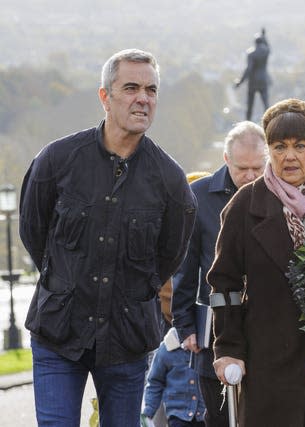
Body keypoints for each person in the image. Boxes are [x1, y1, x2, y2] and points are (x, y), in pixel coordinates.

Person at [19, 49, 196, 427]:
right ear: (105, 96)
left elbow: (171, 254)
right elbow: (33, 232)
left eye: (151, 89)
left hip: (127, 340)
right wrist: (64, 281)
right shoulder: (57, 160)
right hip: (57, 332)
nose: (142, 98)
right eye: (130, 87)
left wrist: (133, 291)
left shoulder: (170, 181)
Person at [207, 98, 305, 426]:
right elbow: (224, 283)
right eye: (279, 146)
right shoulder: (245, 204)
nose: (289, 156)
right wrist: (228, 348)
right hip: (268, 362)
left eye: (300, 145)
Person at [171, 121, 267, 426]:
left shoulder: (278, 194)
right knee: (218, 414)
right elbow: (185, 266)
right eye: (243, 168)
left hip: (264, 325)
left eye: (258, 167)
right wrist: (185, 324)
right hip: (213, 326)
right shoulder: (198, 196)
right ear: (226, 159)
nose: (251, 176)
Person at [141, 328, 206, 427]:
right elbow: (155, 382)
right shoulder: (166, 349)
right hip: (177, 415)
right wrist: (148, 410)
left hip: (204, 414)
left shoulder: (207, 346)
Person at [235, 28, 270, 121]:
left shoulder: (251, 53)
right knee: (266, 104)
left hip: (253, 81)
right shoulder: (265, 52)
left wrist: (240, 81)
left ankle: (247, 123)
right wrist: (264, 35)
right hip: (263, 80)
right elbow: (268, 47)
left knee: (250, 105)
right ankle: (270, 122)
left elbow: (249, 69)